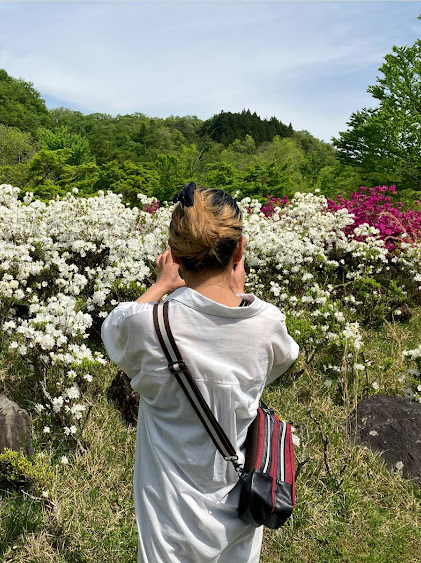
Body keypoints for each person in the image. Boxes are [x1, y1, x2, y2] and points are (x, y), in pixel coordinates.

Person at [101, 182, 299, 563]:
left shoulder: (150, 326)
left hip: (167, 511)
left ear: (173, 254)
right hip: (242, 495)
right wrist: (237, 295)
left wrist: (160, 286)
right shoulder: (267, 323)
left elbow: (115, 328)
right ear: (239, 250)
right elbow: (278, 362)